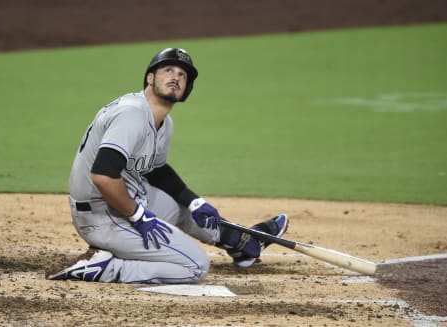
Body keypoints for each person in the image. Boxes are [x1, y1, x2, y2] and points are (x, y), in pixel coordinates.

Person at [46, 48, 288, 283]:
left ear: (187, 89)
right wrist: (138, 216)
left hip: (123, 202)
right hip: (103, 215)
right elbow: (103, 176)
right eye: (168, 70)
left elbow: (155, 169)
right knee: (195, 267)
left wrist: (195, 201)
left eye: (182, 75)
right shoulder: (131, 115)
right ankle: (104, 268)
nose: (176, 77)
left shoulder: (164, 122)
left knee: (184, 209)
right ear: (150, 78)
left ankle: (240, 243)